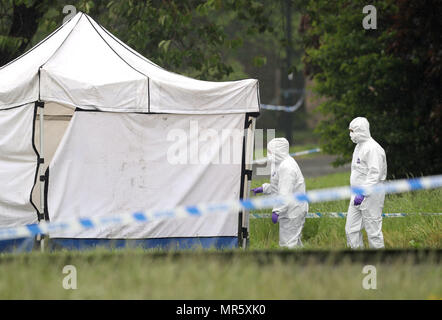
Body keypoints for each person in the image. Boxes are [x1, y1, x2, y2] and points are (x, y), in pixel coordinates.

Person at [251, 138, 308, 248]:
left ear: (278, 151)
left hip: (293, 211)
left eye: (270, 151)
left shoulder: (287, 167)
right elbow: (278, 186)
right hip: (289, 209)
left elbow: (285, 193)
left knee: (287, 244)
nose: (268, 154)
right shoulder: (279, 163)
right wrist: (264, 188)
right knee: (294, 242)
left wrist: (277, 210)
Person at [346, 117, 387, 249]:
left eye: (353, 131)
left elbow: (375, 174)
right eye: (350, 131)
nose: (351, 134)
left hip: (371, 195)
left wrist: (363, 193)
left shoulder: (373, 148)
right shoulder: (359, 147)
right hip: (357, 195)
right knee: (351, 229)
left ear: (361, 130)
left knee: (373, 231)